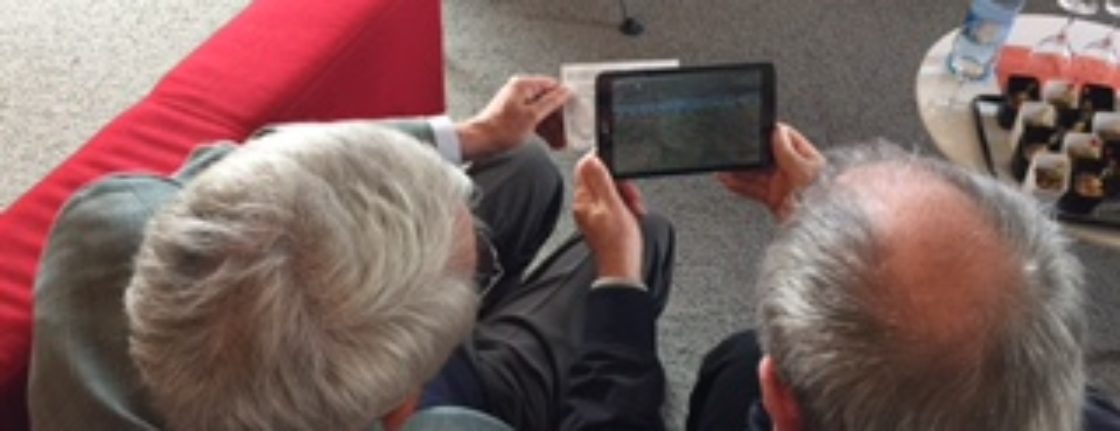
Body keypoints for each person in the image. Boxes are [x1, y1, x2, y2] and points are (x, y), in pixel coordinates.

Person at [27, 76, 674, 430]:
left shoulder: (106, 220)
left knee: (523, 164)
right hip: (461, 398)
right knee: (647, 242)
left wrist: (471, 135)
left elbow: (262, 158)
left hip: (344, 371)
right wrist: (620, 282)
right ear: (401, 405)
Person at [686, 125, 1120, 430]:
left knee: (740, 359)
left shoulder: (743, 388)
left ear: (781, 407)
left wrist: (632, 300)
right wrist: (829, 226)